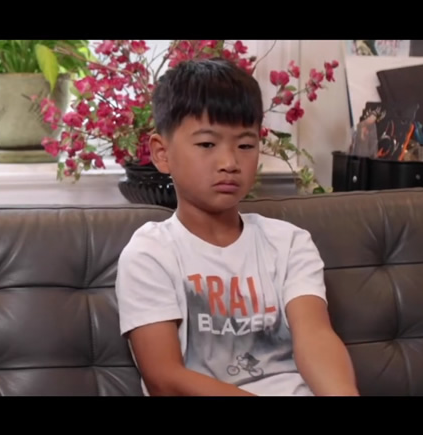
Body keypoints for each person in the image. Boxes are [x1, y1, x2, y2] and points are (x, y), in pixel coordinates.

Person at [114, 58, 359, 396]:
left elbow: (315, 337)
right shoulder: (150, 253)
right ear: (162, 153)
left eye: (245, 145)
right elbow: (164, 378)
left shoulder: (288, 242)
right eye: (207, 144)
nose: (230, 163)